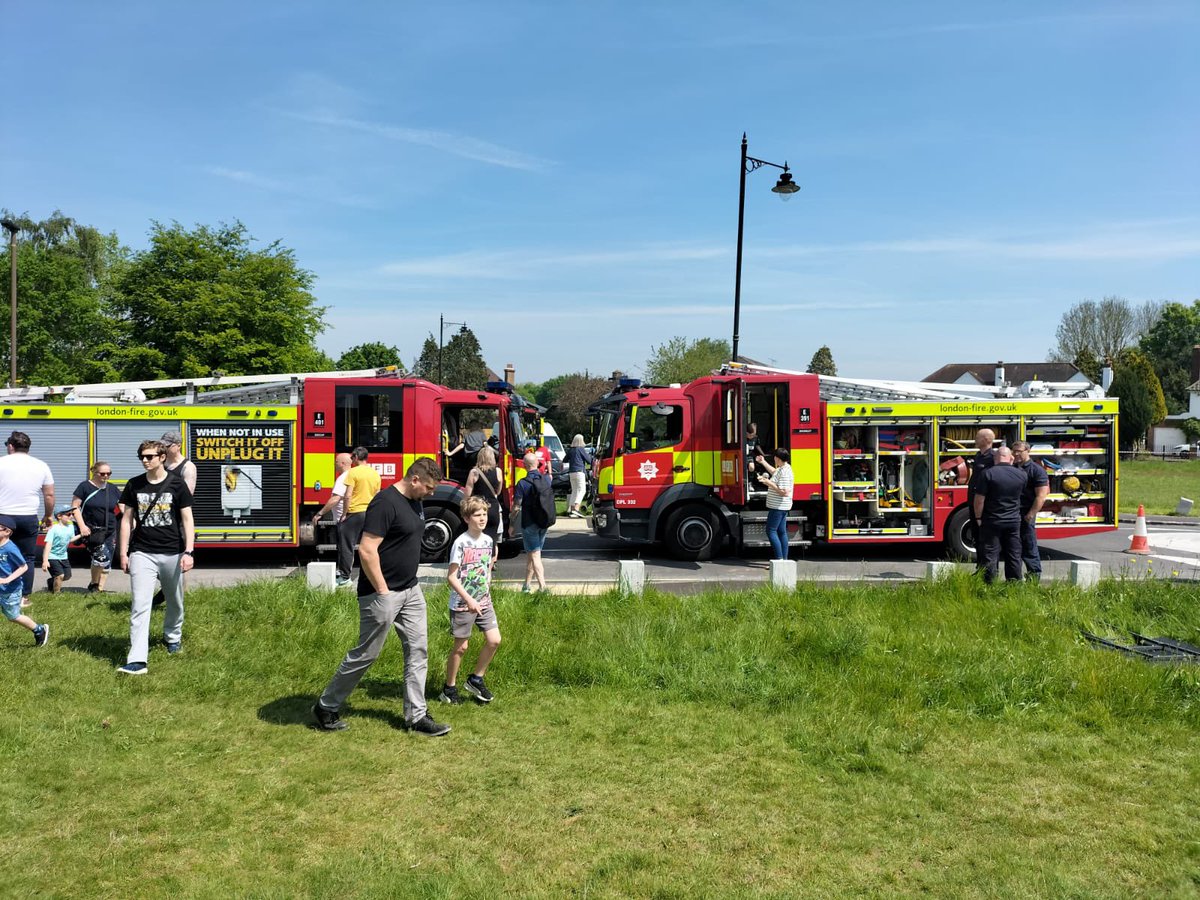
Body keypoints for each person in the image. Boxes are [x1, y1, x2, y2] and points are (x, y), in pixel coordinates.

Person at [312, 457, 450, 736]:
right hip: (380, 593)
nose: (431, 493)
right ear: (414, 480)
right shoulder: (385, 503)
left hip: (410, 590)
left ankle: (417, 716)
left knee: (418, 650)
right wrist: (383, 591)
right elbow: (366, 550)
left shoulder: (415, 500)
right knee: (366, 653)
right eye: (429, 488)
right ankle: (326, 706)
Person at [116, 440, 195, 675]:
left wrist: (189, 551)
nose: (145, 460)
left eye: (150, 456)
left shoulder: (177, 484)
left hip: (173, 550)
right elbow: (126, 520)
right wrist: (124, 552)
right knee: (140, 604)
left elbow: (187, 520)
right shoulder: (134, 485)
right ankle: (138, 659)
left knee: (175, 600)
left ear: (162, 458)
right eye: (142, 456)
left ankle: (173, 637)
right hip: (142, 551)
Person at [438, 496, 501, 705]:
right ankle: (449, 687)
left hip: (484, 600)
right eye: (477, 515)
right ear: (467, 518)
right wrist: (469, 599)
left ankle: (476, 679)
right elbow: (452, 577)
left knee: (494, 640)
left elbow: (487, 567)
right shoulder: (461, 543)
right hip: (463, 603)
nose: (482, 518)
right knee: (461, 647)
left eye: (484, 514)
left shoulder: (488, 541)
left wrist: (487, 586)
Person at [0, 431, 55, 606]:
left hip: (3, 515)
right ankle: (23, 597)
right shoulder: (41, 466)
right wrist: (47, 516)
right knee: (27, 558)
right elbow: (49, 495)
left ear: (10, 446)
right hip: (28, 516)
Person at [972, 445, 1029, 584]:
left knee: (990, 553)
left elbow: (979, 500)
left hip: (992, 520)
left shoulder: (987, 473)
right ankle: (1014, 583)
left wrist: (978, 517)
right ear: (1010, 458)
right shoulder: (1022, 475)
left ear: (995, 458)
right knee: (1014, 553)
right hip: (1013, 521)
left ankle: (989, 584)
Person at [72, 460, 122, 593]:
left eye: (109, 473)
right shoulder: (84, 487)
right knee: (100, 558)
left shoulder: (112, 488)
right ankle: (94, 583)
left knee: (108, 561)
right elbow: (75, 507)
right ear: (94, 472)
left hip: (110, 529)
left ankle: (99, 588)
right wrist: (82, 526)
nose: (106, 476)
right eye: (102, 473)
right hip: (91, 530)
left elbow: (122, 506)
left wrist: (132, 519)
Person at [0, 516, 48, 647]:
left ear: (7, 532)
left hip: (10, 590)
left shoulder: (10, 548)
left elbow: (24, 566)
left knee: (13, 616)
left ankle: (39, 630)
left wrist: (7, 579)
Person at [337, 447, 381, 587]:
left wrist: (344, 514)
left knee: (347, 545)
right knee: (369, 547)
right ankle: (371, 576)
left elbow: (348, 495)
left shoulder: (353, 472)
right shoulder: (375, 474)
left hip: (355, 512)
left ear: (356, 457)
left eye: (352, 457)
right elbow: (377, 496)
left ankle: (344, 577)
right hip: (370, 513)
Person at [1011, 441, 1051, 582]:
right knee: (1014, 548)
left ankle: (1034, 579)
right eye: (1013, 451)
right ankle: (1014, 580)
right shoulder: (1012, 468)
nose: (1016, 454)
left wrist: (1031, 514)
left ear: (1028, 451)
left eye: (1019, 451)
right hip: (1012, 513)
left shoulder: (1036, 470)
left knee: (1029, 547)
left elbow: (1041, 496)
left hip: (1026, 513)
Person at [310, 452, 353, 581]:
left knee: (344, 548)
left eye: (336, 462)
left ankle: (344, 577)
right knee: (346, 547)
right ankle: (344, 573)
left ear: (343, 463)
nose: (334, 464)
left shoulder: (343, 478)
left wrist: (320, 513)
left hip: (343, 518)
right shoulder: (352, 475)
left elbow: (335, 498)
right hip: (350, 516)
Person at [510, 452, 549, 593]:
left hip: (529, 523)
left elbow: (516, 507)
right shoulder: (546, 480)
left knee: (535, 556)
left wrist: (512, 523)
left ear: (524, 466)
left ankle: (543, 588)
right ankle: (526, 586)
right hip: (543, 523)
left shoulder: (522, 483)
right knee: (532, 554)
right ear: (537, 463)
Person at [755, 447, 794, 560]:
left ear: (778, 458)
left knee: (771, 531)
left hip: (778, 507)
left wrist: (768, 483)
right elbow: (774, 472)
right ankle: (783, 560)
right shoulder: (783, 468)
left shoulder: (785, 472)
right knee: (781, 532)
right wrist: (763, 462)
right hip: (781, 506)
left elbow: (784, 492)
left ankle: (779, 559)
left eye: (775, 457)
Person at [966, 428, 996, 567]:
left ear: (986, 440)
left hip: (985, 506)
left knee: (986, 539)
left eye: (977, 437)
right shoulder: (979, 455)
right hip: (974, 503)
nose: (975, 440)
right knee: (977, 537)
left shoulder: (992, 458)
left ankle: (988, 570)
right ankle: (980, 567)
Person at [464, 445, 505, 546]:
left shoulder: (474, 472)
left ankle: (481, 561)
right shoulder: (498, 471)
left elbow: (467, 494)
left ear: (479, 457)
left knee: (478, 540)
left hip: (479, 509)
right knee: (492, 541)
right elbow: (498, 492)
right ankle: (492, 561)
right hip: (494, 508)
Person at [42, 506, 82, 594]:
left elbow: (70, 539)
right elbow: (48, 545)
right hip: (52, 556)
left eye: (72, 514)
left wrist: (81, 535)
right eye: (68, 514)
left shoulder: (70, 527)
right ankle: (56, 593)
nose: (71, 516)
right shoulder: (53, 529)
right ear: (59, 516)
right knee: (60, 575)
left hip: (63, 556)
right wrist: (45, 561)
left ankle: (51, 582)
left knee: (67, 576)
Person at [159, 430, 197, 495]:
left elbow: (187, 496)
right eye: (162, 446)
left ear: (179, 446)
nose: (164, 448)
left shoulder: (188, 467)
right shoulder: (159, 461)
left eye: (167, 446)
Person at [564, 434, 592, 518]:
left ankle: (572, 510)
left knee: (575, 490)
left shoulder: (571, 450)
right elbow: (589, 460)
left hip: (571, 472)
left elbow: (564, 460)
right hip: (579, 472)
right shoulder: (581, 449)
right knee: (582, 490)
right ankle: (576, 508)